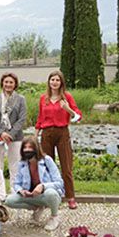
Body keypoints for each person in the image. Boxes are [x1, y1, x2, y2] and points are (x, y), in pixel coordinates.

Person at [36, 70, 82, 210]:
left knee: (66, 166)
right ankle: (51, 197)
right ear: (49, 82)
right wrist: (35, 135)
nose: (54, 82)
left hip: (62, 133)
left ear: (61, 82)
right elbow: (40, 118)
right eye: (52, 80)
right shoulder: (44, 98)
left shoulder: (67, 97)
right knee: (47, 166)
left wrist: (68, 109)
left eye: (57, 80)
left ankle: (70, 197)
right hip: (47, 134)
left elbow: (78, 116)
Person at [6, 137, 64, 231]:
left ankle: (54, 216)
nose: (27, 150)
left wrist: (43, 186)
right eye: (25, 147)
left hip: (46, 195)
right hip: (31, 195)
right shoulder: (22, 163)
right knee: (9, 200)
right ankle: (37, 207)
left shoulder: (47, 160)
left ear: (36, 148)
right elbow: (16, 183)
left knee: (51, 193)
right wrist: (21, 190)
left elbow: (59, 183)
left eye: (30, 147)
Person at [0, 72, 27, 185]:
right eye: (6, 82)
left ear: (15, 84)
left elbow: (22, 118)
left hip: (15, 137)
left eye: (11, 82)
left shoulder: (20, 99)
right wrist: (1, 133)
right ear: (2, 83)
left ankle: (15, 190)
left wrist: (10, 134)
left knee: (15, 165)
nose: (8, 84)